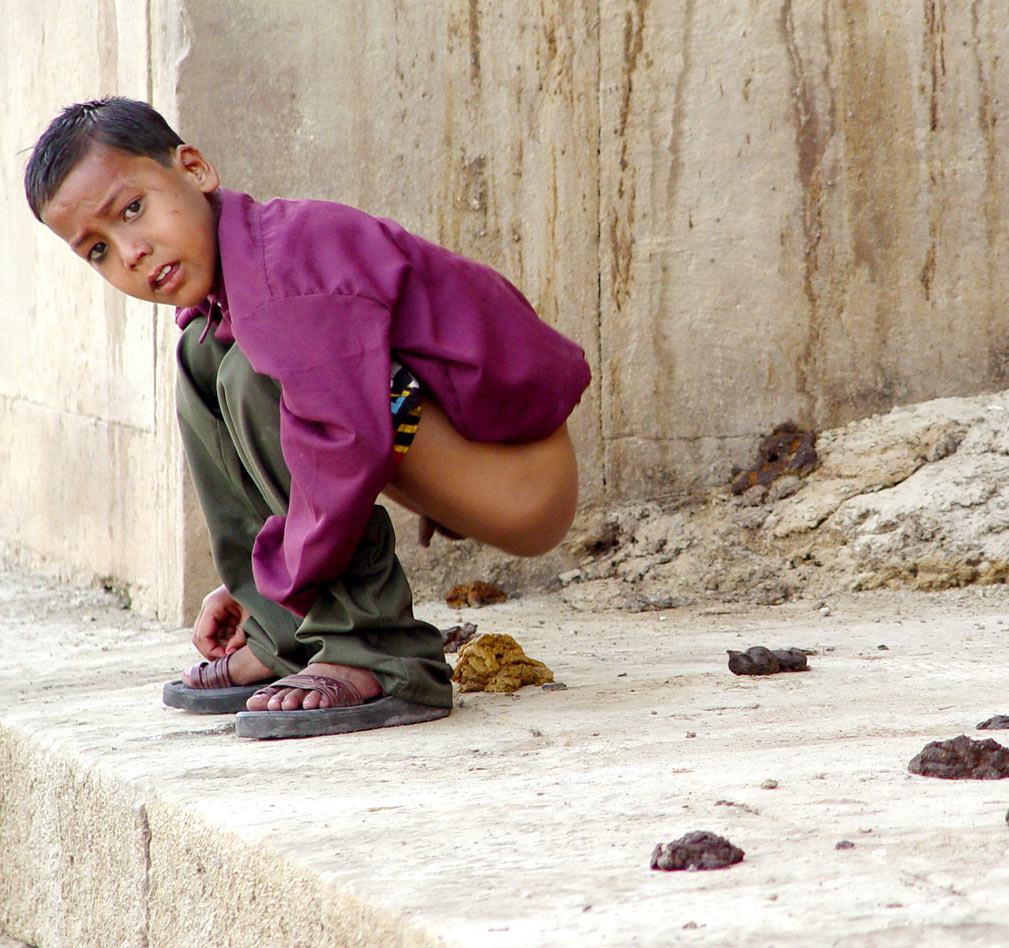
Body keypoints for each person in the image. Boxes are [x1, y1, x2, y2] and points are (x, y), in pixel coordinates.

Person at [25, 97, 590, 738]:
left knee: (254, 370)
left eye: (133, 209)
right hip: (464, 452)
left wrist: (285, 568)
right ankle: (284, 630)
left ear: (195, 169)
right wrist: (261, 589)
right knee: (204, 353)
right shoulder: (240, 285)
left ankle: (379, 653)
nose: (129, 251)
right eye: (97, 249)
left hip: (519, 477)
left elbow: (342, 446)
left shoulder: (287, 267)